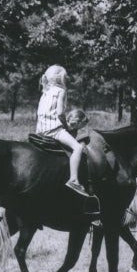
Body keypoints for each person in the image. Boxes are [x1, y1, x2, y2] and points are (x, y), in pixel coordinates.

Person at [36, 65, 89, 196]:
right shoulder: (61, 91)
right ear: (62, 78)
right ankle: (74, 179)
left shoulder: (45, 91)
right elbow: (60, 112)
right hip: (53, 130)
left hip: (39, 130)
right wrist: (65, 126)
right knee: (78, 148)